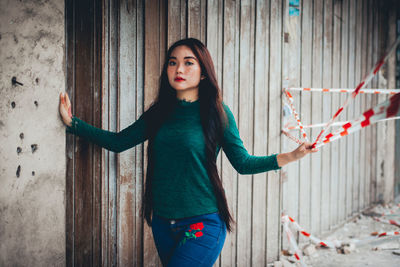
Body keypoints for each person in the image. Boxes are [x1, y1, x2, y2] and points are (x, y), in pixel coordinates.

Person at [59, 38, 318, 266]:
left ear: (204, 72)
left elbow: (243, 163)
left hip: (203, 222)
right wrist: (74, 124)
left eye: (188, 62)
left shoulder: (218, 113)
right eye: (172, 63)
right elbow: (118, 142)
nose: (178, 69)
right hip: (162, 222)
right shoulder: (158, 113)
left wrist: (292, 155)